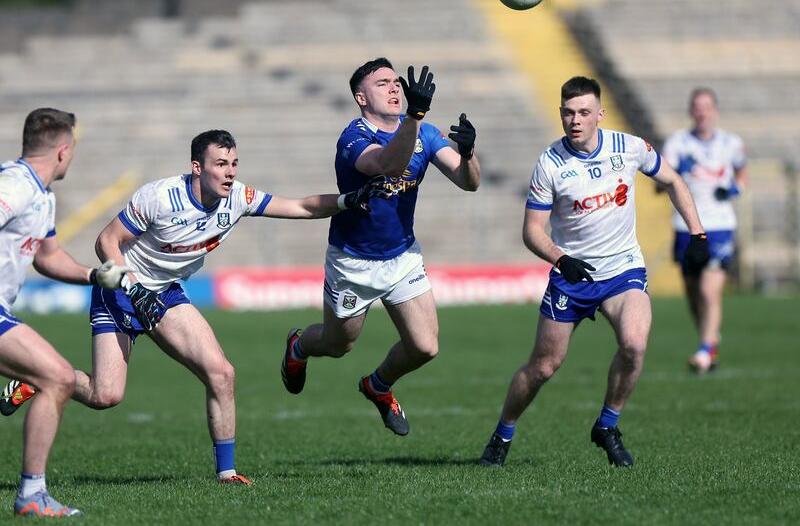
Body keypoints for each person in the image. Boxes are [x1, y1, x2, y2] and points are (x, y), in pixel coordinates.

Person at [1, 128, 387, 485]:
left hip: (166, 294)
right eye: (221, 164)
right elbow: (106, 242)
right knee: (106, 396)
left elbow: (301, 206)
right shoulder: (160, 196)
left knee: (222, 373)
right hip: (121, 291)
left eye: (234, 163)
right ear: (197, 167)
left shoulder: (238, 198)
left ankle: (227, 473)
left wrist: (345, 201)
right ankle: (40, 380)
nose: (230, 172)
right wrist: (133, 289)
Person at [478, 76, 709, 468]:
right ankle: (503, 433)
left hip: (622, 270)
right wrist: (560, 258)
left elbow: (672, 179)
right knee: (543, 367)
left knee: (634, 344)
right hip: (572, 275)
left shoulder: (628, 147)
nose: (575, 120)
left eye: (584, 112)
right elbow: (531, 231)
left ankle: (607, 425)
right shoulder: (550, 163)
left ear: (600, 114)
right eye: (568, 112)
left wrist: (698, 232)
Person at [280, 58, 480, 436]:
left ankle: (378, 385)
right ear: (361, 97)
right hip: (353, 262)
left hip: (402, 256)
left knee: (425, 346)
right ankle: (298, 346)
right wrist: (415, 116)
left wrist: (469, 155)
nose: (394, 88)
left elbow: (469, 183)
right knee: (339, 345)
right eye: (382, 83)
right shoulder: (353, 138)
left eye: (395, 83)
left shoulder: (425, 131)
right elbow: (388, 164)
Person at [0, 108, 131, 517]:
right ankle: (31, 496)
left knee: (53, 377)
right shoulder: (15, 185)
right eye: (73, 148)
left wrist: (97, 275)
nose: (72, 156)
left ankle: (32, 496)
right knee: (56, 376)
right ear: (62, 150)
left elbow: (48, 256)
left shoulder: (42, 195)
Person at [660, 87, 748, 373]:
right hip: (685, 227)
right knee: (693, 293)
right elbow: (657, 185)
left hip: (720, 225)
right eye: (697, 107)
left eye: (706, 106)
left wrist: (736, 188)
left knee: (710, 292)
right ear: (691, 111)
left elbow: (742, 173)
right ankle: (709, 338)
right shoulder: (677, 143)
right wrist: (674, 173)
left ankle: (704, 350)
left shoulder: (731, 143)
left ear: (715, 110)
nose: (702, 112)